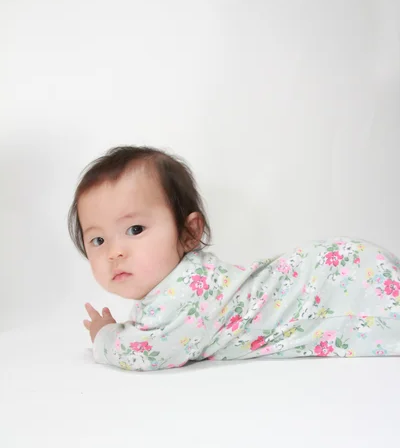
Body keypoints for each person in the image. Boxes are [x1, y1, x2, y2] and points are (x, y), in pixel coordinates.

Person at [68, 146, 400, 371]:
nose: (114, 252)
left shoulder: (187, 296)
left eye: (135, 229)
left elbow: (146, 353)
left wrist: (105, 336)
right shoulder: (177, 287)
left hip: (340, 282)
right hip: (336, 268)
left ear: (189, 232)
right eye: (97, 240)